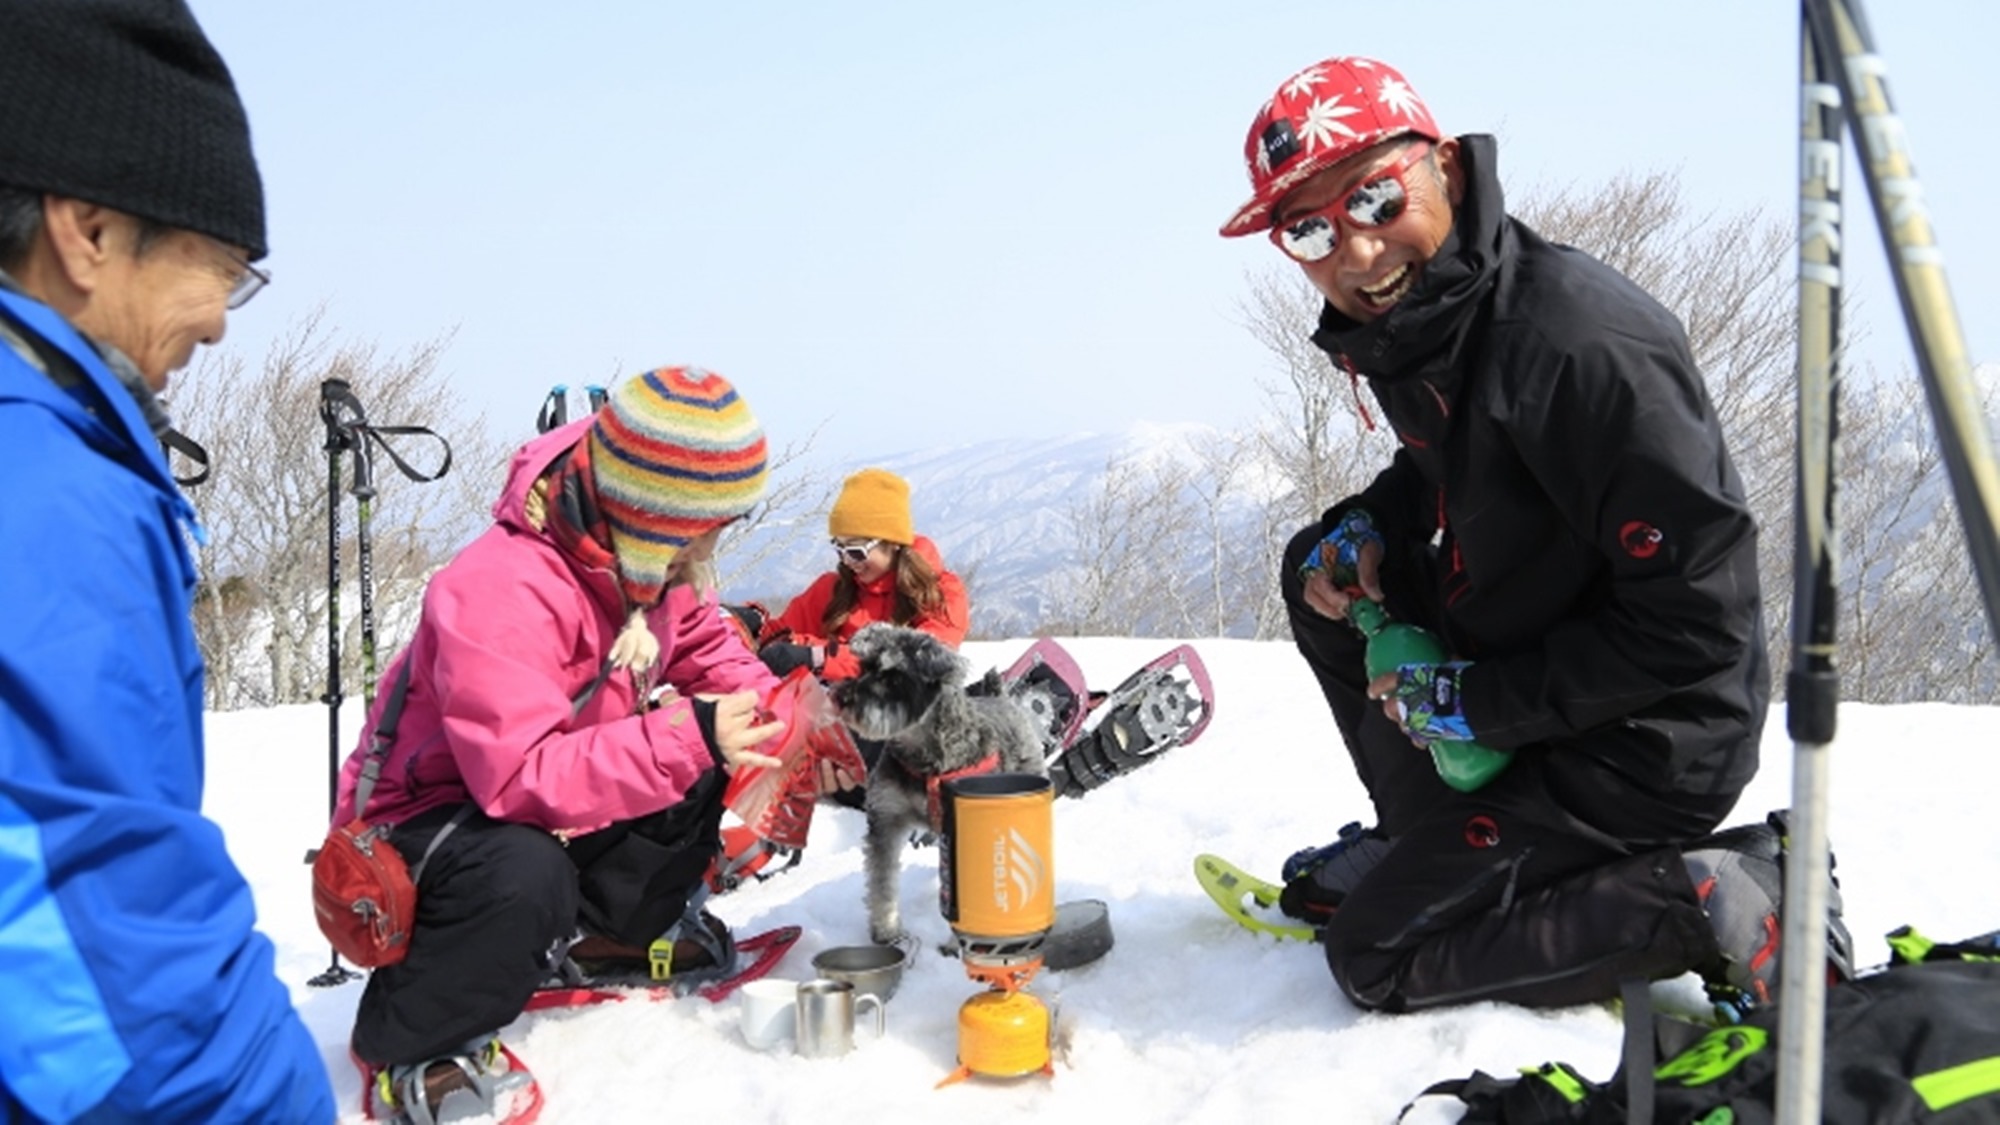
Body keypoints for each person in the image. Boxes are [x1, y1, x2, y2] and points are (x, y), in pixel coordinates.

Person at [1219, 57, 1851, 1015]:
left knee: (1374, 956)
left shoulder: (1582, 352)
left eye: (1376, 199)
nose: (1354, 251)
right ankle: (1437, 838)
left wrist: (1481, 704)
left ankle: (1708, 896)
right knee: (1318, 569)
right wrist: (1366, 529)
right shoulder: (1432, 324)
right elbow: (1447, 473)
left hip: (1648, 739)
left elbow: (1699, 626)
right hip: (1540, 667)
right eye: (1308, 227)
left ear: (1449, 175)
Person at [0, 3, 333, 1121]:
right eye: (221, 268)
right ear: (86, 230)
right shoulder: (42, 493)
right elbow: (96, 938)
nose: (224, 322)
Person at [336, 367, 802, 1123]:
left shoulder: (649, 565)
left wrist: (782, 717)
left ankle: (602, 941)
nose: (719, 539)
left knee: (707, 752)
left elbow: (710, 650)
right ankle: (417, 1036)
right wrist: (690, 733)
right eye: (713, 521)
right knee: (526, 869)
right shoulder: (500, 586)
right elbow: (513, 779)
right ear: (660, 514)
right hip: (421, 825)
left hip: (526, 799)